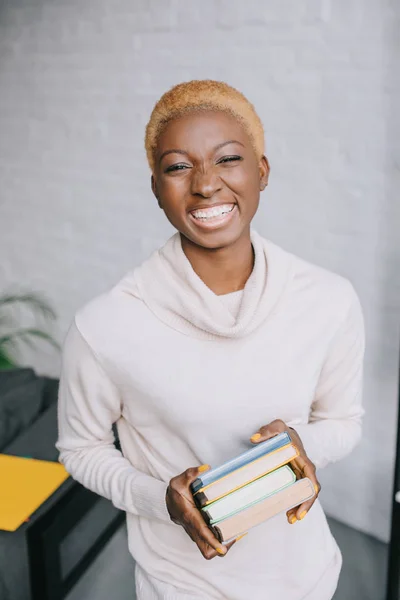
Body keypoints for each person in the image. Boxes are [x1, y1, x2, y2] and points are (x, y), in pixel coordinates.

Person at [56, 80, 365, 600]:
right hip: (181, 586)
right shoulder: (105, 326)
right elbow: (81, 448)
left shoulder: (328, 300)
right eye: (179, 166)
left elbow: (343, 422)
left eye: (228, 160)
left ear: (261, 172)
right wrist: (159, 498)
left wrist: (300, 443)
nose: (205, 184)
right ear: (156, 187)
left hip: (306, 578)